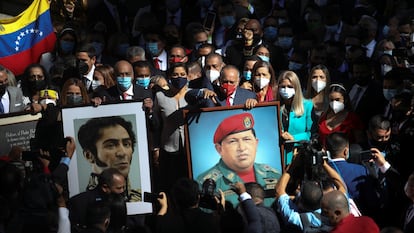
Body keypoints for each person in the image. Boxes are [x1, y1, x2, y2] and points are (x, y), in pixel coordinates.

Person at [197, 112, 281, 207]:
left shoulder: (274, 175)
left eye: (247, 139)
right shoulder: (206, 184)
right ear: (219, 149)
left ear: (256, 144)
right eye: (233, 141)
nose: (242, 148)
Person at [77, 116, 141, 201]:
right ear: (89, 155)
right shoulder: (82, 202)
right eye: (110, 145)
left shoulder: (140, 198)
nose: (122, 153)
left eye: (126, 144)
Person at [68, 168, 127, 233]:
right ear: (105, 187)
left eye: (123, 187)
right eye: (119, 188)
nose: (122, 191)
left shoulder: (119, 201)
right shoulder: (80, 202)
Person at [276, 70, 315, 165]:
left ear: (296, 88)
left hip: (299, 156)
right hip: (278, 157)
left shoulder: (307, 106)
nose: (286, 90)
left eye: (289, 87)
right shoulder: (274, 107)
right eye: (282, 87)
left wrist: (293, 137)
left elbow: (311, 133)